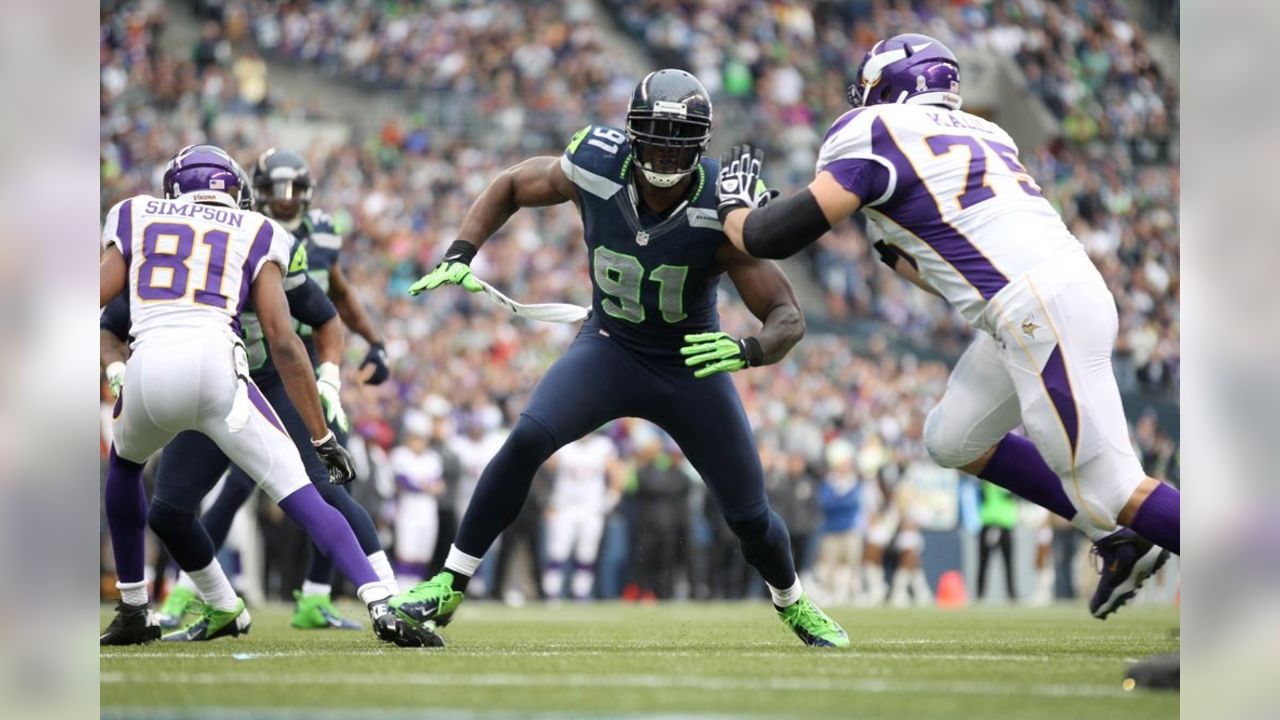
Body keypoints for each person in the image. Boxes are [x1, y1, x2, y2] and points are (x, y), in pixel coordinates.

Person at [714, 33, 1178, 619]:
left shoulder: (871, 129)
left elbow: (770, 237)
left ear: (886, 87)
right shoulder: (990, 133)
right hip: (1048, 296)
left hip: (1033, 308)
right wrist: (894, 249)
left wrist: (734, 209)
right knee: (953, 438)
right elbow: (941, 269)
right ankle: (1117, 538)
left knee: (1117, 486)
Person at [390, 70, 849, 648]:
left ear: (700, 146)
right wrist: (462, 251)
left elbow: (787, 314)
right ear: (632, 134)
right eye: (654, 135)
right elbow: (510, 185)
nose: (662, 150)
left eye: (677, 140)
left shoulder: (720, 206)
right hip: (610, 347)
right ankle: (450, 583)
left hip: (688, 365)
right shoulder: (595, 163)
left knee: (749, 515)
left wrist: (746, 350)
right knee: (528, 439)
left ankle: (794, 602)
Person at [97, 144, 437, 648]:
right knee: (298, 489)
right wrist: (322, 435)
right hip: (221, 373)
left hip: (148, 368)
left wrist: (113, 372)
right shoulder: (258, 231)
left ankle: (133, 605)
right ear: (240, 192)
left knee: (124, 470)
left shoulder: (134, 212)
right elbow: (283, 339)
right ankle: (380, 604)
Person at [158, 148, 394, 631]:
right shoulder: (240, 231)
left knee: (326, 482)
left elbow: (334, 299)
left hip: (298, 374)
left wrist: (364, 348)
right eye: (274, 191)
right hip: (239, 372)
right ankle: (192, 592)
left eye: (292, 191)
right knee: (215, 494)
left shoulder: (315, 233)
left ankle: (335, 595)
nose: (284, 201)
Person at [541, 429, 626, 600]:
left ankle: (581, 592)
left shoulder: (603, 446)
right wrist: (547, 501)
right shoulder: (565, 444)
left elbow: (617, 474)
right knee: (558, 550)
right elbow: (544, 469)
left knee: (587, 552)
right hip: (564, 507)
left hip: (591, 508)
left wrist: (611, 498)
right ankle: (552, 591)